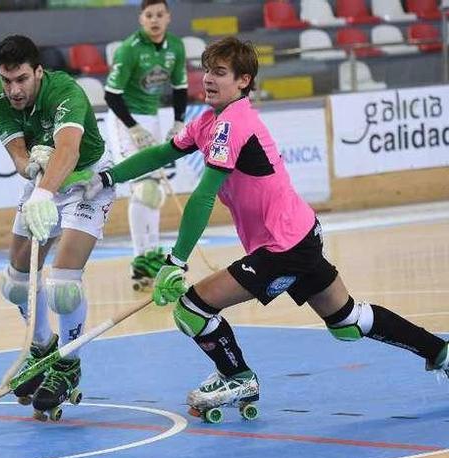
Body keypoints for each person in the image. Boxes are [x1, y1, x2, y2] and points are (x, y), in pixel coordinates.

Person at [62, 36, 449, 420]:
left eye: (220, 73)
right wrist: (110, 177)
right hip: (301, 234)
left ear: (244, 80)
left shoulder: (234, 122)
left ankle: (238, 377)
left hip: (283, 247)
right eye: (206, 71)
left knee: (192, 308)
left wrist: (176, 261)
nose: (208, 79)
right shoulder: (208, 121)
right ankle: (439, 351)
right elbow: (164, 152)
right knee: (347, 321)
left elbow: (204, 195)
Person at [0, 35, 115, 419]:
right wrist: (32, 168)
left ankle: (69, 364)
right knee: (15, 282)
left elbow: (69, 150)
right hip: (45, 182)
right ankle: (42, 349)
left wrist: (43, 192)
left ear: (38, 71)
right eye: (7, 81)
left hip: (87, 182)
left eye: (22, 79)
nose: (13, 90)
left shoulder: (65, 92)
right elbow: (19, 155)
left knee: (63, 288)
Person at [104, 0, 187, 291]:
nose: (155, 20)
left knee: (155, 193)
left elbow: (180, 89)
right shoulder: (129, 49)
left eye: (160, 15)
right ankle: (141, 259)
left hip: (151, 118)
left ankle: (152, 254)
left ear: (168, 18)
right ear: (141, 19)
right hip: (124, 119)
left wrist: (179, 122)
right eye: (149, 15)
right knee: (145, 189)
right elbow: (111, 95)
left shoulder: (176, 47)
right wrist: (133, 127)